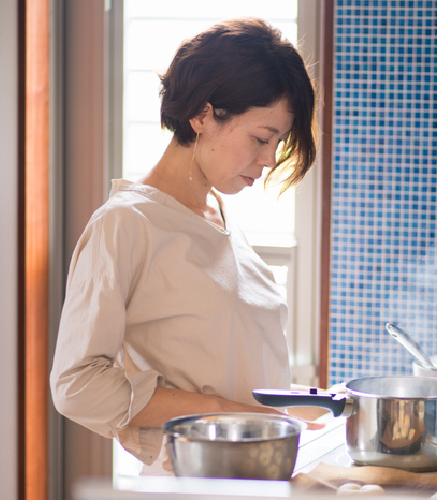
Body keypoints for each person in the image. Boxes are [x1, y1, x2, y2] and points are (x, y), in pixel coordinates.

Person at [50, 17, 320, 475]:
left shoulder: (218, 214)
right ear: (202, 115)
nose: (270, 160)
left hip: (256, 469)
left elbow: (225, 359)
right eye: (261, 138)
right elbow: (76, 386)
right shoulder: (125, 224)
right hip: (191, 477)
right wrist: (218, 410)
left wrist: (309, 405)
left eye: (277, 142)